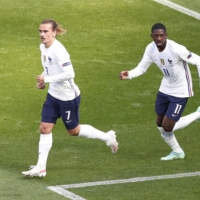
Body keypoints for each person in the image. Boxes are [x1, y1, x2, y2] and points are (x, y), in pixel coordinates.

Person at [22, 19, 118, 177]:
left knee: (74, 131)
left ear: (54, 32)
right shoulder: (42, 47)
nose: (42, 34)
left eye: (45, 31)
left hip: (67, 98)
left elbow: (70, 74)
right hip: (53, 95)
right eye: (40, 31)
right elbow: (49, 68)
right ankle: (41, 167)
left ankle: (107, 137)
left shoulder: (59, 51)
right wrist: (44, 78)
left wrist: (46, 80)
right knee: (44, 128)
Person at [119, 23, 200, 161]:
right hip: (165, 87)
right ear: (152, 36)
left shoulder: (176, 49)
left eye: (162, 35)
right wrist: (129, 74)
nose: (159, 38)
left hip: (181, 91)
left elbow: (198, 60)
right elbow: (142, 67)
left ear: (166, 35)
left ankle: (198, 114)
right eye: (156, 35)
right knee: (159, 123)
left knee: (168, 126)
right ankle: (178, 152)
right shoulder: (150, 49)